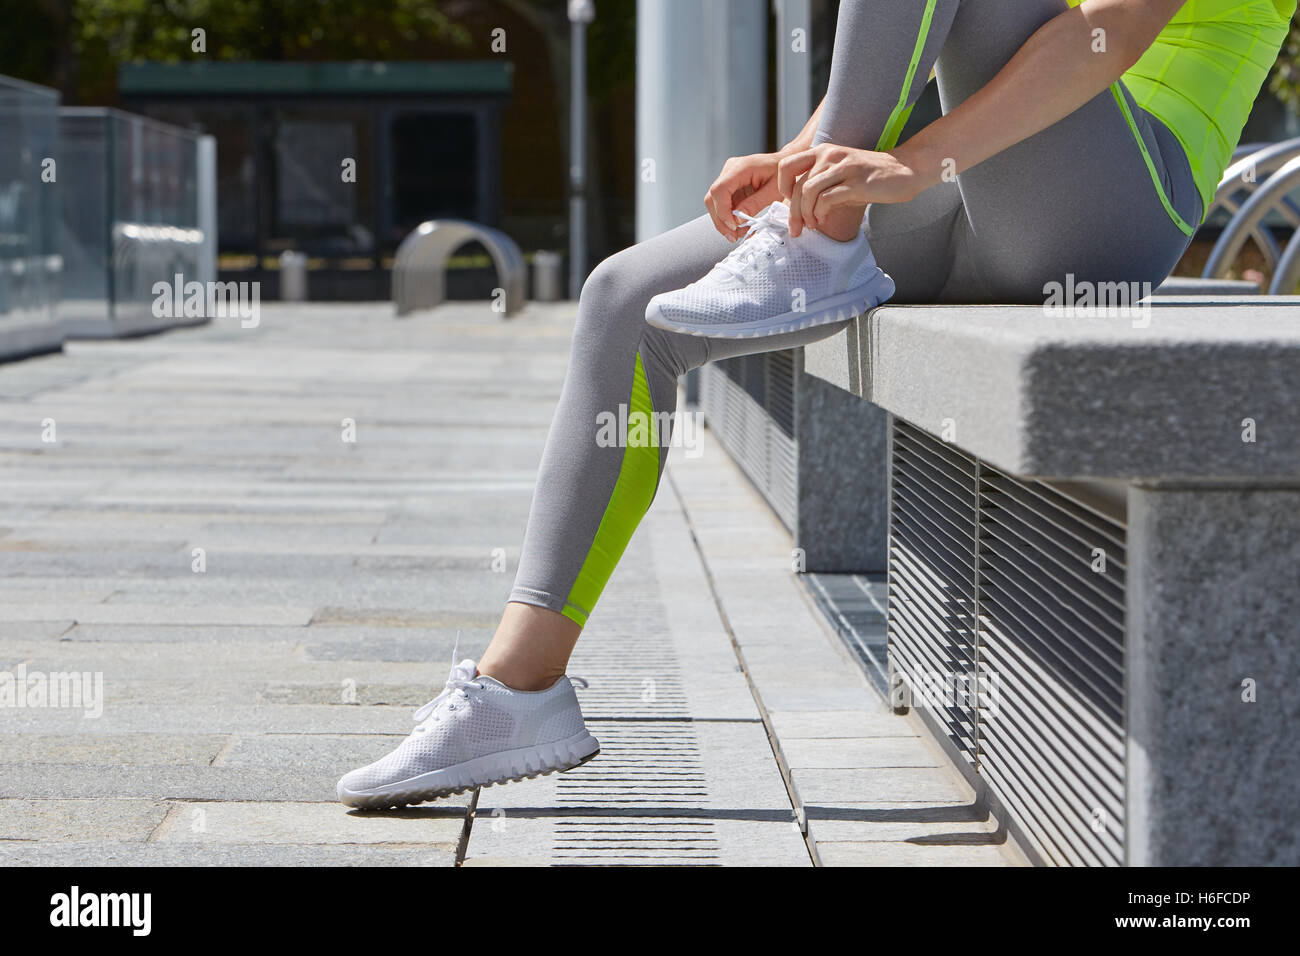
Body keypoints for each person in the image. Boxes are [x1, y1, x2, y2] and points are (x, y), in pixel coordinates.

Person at [338, 0, 1294, 808]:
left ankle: (821, 231)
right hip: (988, 190)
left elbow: (1109, 33)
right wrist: (803, 160)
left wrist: (911, 166)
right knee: (625, 304)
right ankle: (518, 689)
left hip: (1112, 204)